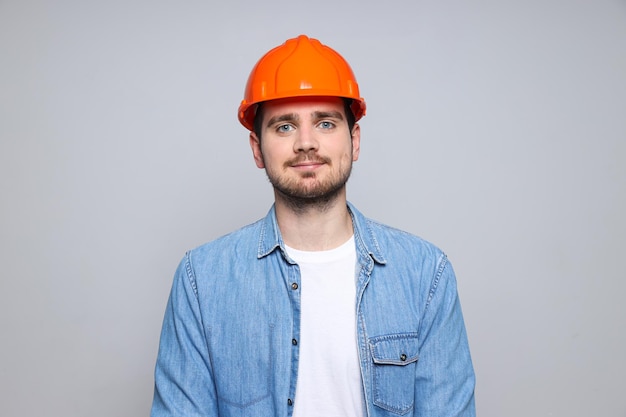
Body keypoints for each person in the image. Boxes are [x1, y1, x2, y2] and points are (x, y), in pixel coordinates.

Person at [151, 34, 476, 417]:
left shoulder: (425, 275)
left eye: (324, 123)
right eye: (284, 127)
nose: (306, 143)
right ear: (257, 148)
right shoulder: (201, 280)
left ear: (354, 141)